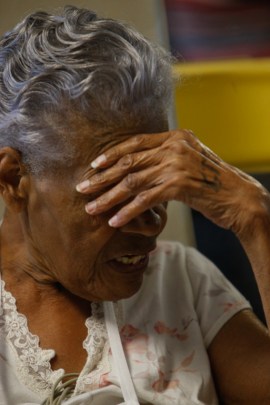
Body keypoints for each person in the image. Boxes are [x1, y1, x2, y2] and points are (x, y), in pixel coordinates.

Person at [0, 5, 270, 405]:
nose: (151, 223)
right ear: (13, 179)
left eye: (153, 180)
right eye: (114, 189)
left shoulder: (180, 280)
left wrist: (256, 216)